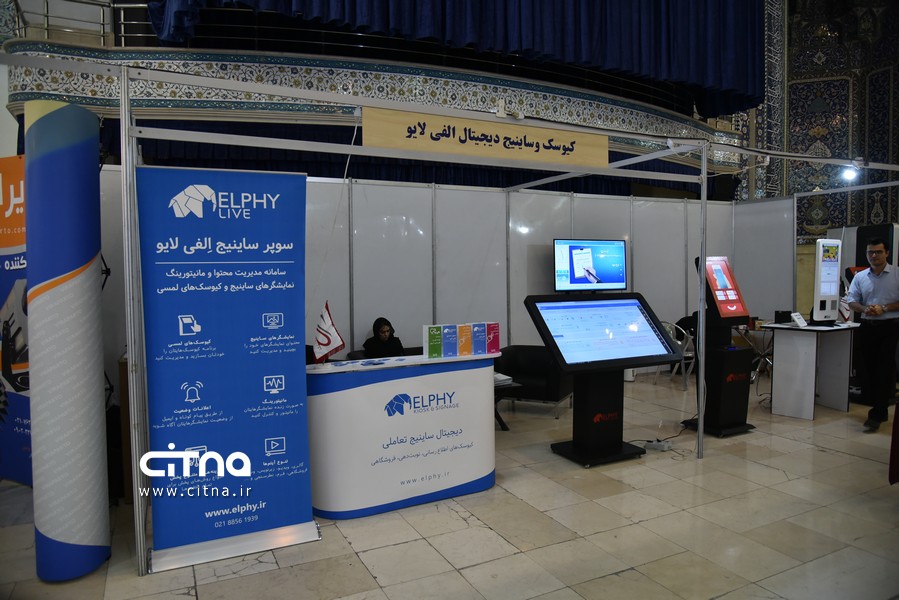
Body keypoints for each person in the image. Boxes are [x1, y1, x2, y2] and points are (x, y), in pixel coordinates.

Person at [846, 237, 899, 432]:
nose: (874, 256)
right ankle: (879, 407)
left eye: (878, 252)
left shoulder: (897, 274)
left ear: (887, 253)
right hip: (867, 326)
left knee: (883, 369)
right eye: (870, 252)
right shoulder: (860, 277)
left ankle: (877, 413)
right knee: (867, 369)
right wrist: (865, 309)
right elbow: (852, 301)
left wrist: (884, 308)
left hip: (890, 327)